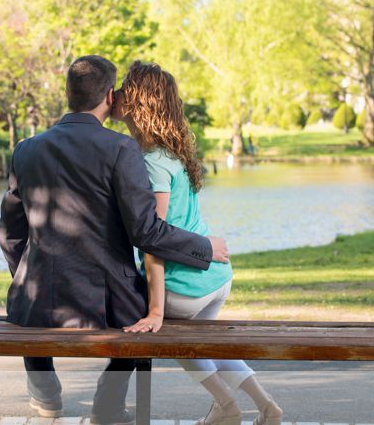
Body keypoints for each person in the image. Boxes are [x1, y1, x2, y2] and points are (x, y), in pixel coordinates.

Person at [0, 55, 231, 425]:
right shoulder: (122, 150)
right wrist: (204, 247)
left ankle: (46, 395)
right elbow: (145, 231)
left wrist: (25, 272)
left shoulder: (26, 149)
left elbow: (9, 232)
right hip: (106, 304)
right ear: (109, 96)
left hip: (36, 300)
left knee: (29, 299)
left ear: (69, 94)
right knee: (144, 314)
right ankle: (107, 403)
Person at [112, 61, 283, 425]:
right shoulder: (171, 153)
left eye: (125, 88)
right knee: (205, 344)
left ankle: (226, 405)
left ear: (138, 102)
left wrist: (156, 310)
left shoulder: (151, 163)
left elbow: (151, 238)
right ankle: (266, 406)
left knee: (178, 341)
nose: (118, 93)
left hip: (184, 285)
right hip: (216, 278)